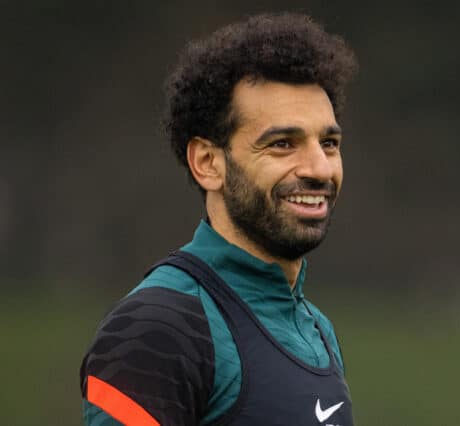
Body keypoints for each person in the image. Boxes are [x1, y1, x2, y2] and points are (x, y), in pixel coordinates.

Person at [79, 12, 357, 426]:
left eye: (329, 143)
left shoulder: (316, 329)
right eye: (283, 144)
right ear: (208, 163)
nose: (318, 168)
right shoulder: (159, 326)